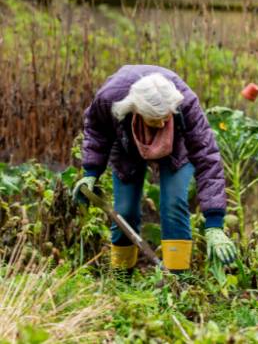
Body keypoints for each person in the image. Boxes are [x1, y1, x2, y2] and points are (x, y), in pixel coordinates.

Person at [72, 65, 236, 274]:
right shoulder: (110, 100)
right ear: (135, 110)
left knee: (173, 203)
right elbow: (96, 131)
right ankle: (123, 279)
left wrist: (214, 223)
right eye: (153, 119)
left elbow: (208, 157)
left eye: (164, 118)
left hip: (175, 146)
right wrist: (90, 174)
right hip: (127, 146)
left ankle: (178, 282)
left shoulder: (185, 103)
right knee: (124, 210)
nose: (159, 124)